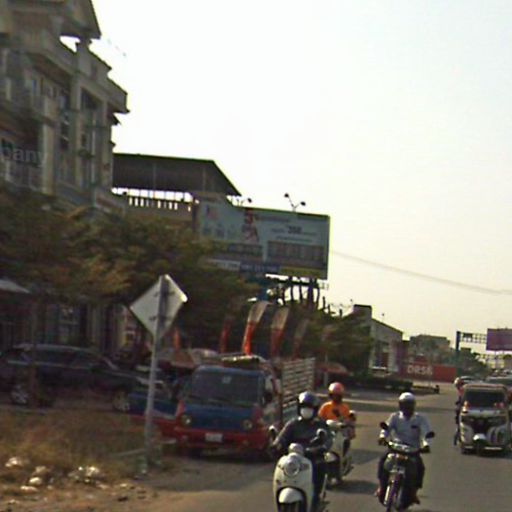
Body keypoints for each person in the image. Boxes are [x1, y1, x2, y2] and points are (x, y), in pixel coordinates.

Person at [273, 391, 332, 508]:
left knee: (320, 466)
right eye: (304, 407)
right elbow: (282, 437)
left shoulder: (320, 425)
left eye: (309, 408)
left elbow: (328, 439)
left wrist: (321, 448)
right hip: (293, 460)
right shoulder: (293, 424)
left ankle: (316, 499)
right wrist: (276, 444)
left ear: (315, 410)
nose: (306, 410)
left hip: (313, 458)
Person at [376, 392, 432, 505]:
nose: (407, 408)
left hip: (412, 450)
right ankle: (381, 487)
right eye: (405, 405)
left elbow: (425, 433)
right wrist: (382, 437)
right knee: (382, 461)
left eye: (409, 405)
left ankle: (414, 493)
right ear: (400, 405)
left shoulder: (420, 419)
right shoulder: (395, 417)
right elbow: (387, 428)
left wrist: (426, 445)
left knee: (420, 469)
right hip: (396, 447)